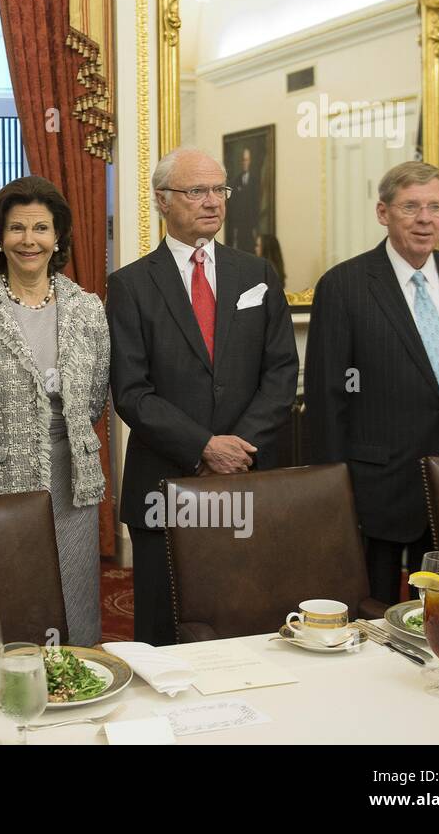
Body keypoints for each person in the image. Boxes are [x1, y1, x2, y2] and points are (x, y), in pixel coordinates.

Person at [108, 146, 298, 644]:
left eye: (219, 189)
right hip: (165, 485)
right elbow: (132, 392)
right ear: (162, 201)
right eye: (197, 191)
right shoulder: (129, 285)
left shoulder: (256, 275)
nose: (212, 201)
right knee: (164, 628)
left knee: (247, 620)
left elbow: (281, 373)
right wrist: (203, 446)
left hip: (249, 476)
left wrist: (237, 447)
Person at [304, 161, 439, 604]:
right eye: (411, 206)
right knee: (371, 617)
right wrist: (334, 493)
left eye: (435, 206)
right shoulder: (344, 286)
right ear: (383, 212)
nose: (425, 219)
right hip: (376, 488)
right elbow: (327, 399)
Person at [0, 177, 109, 645]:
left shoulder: (88, 310)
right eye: (16, 228)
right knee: (8, 603)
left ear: (58, 238)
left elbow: (94, 400)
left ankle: (76, 688)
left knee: (75, 602)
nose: (29, 240)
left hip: (73, 480)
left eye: (41, 228)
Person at [225, 146, 259, 252]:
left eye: (247, 160)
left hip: (251, 227)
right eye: (243, 160)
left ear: (250, 161)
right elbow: (232, 206)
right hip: (239, 228)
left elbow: (256, 204)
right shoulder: (236, 181)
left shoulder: (255, 180)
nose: (245, 162)